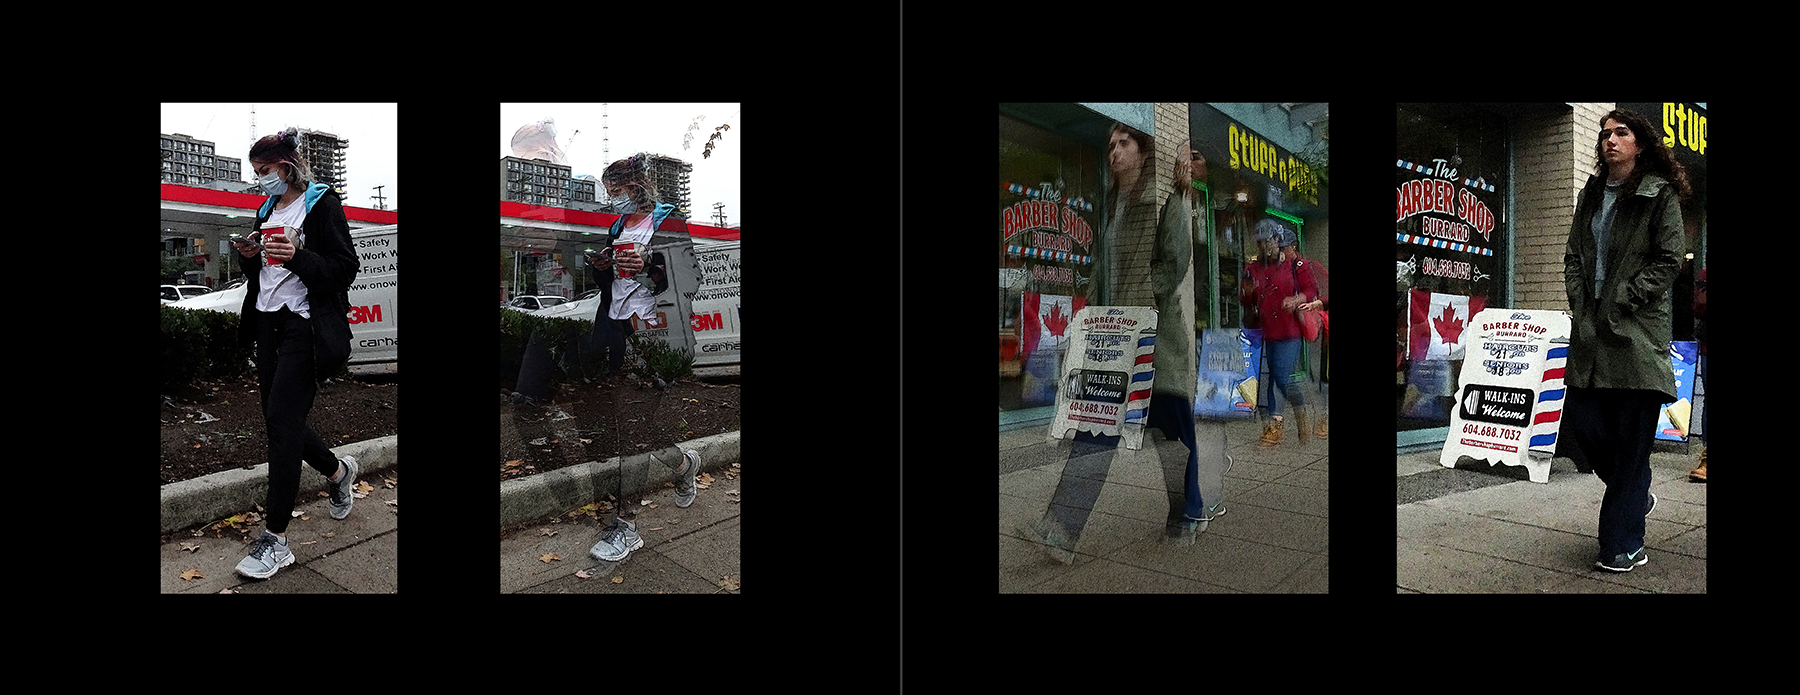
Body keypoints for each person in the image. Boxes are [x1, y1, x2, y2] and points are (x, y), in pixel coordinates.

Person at [1561, 108, 1689, 573]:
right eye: (1604, 134)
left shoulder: (1660, 194)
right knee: (1581, 424)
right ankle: (1636, 496)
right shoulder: (1591, 194)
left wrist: (1624, 298)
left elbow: (1670, 258)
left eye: (1621, 133)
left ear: (1640, 143)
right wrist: (1581, 300)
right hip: (1592, 333)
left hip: (1636, 334)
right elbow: (1574, 254)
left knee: (1632, 443)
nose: (1610, 140)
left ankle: (1620, 544)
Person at [230, 128, 361, 580]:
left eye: (264, 171)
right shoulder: (267, 208)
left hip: (305, 325)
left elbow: (345, 269)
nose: (259, 180)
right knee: (278, 419)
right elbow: (263, 273)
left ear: (285, 166)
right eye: (256, 173)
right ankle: (338, 471)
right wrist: (251, 254)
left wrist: (299, 255)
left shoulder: (321, 203)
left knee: (282, 426)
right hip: (269, 323)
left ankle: (276, 540)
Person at [585, 154, 699, 563]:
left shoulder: (669, 222)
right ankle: (684, 465)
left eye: (615, 193)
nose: (610, 200)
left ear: (635, 189)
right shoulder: (617, 227)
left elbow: (689, 278)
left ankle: (626, 528)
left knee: (630, 427)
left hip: (658, 337)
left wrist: (651, 264)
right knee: (638, 425)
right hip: (622, 332)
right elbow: (612, 285)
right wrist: (603, 267)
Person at [1241, 219, 1319, 446]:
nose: (1265, 246)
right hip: (1264, 331)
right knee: (1269, 380)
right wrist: (1247, 293)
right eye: (1260, 242)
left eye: (1269, 241)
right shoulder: (1252, 268)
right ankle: (1274, 427)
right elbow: (1245, 299)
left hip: (1289, 330)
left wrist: (1296, 300)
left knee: (1283, 377)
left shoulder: (1296, 266)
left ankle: (1301, 411)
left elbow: (1311, 291)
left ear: (1278, 239)